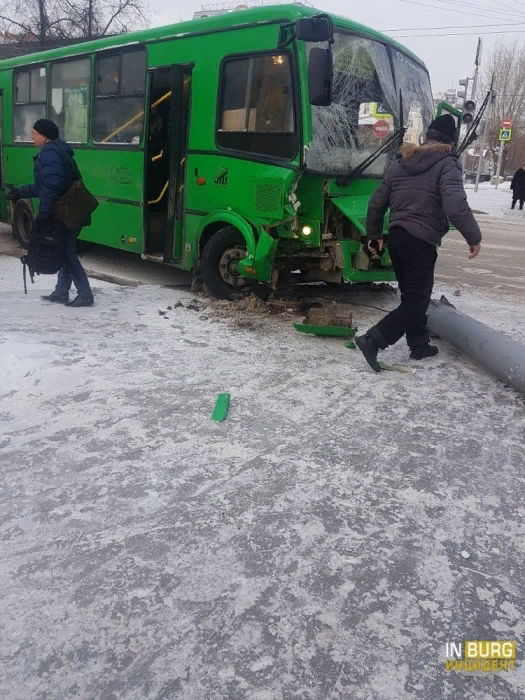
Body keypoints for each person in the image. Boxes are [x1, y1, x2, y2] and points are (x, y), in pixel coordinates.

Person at [355, 114, 482, 372]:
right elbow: (455, 206)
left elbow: (376, 202)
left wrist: (375, 236)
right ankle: (373, 340)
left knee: (410, 296)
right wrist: (474, 237)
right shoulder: (448, 163)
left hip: (398, 237)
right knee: (417, 302)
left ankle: (419, 344)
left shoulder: (403, 162)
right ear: (450, 142)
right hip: (420, 239)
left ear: (428, 136)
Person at [7, 119, 94, 307]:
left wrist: (44, 213)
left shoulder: (50, 152)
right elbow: (43, 185)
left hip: (64, 212)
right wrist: (20, 192)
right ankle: (62, 292)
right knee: (65, 251)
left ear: (44, 136)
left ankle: (85, 295)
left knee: (67, 253)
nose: (32, 137)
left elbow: (53, 185)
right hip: (71, 211)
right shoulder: (56, 151)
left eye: (34, 134)